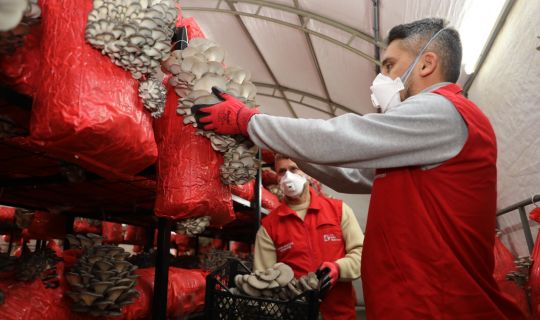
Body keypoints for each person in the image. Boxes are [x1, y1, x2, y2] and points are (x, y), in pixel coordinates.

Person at [192, 18, 525, 319]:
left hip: (439, 305)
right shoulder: (419, 139)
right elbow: (351, 175)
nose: (383, 78)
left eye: (391, 65)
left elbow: (344, 137)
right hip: (415, 303)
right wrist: (281, 144)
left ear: (427, 63)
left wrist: (249, 121)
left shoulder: (443, 111)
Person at [253, 154, 363, 320]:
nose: (288, 176)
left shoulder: (339, 210)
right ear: (277, 177)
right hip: (296, 315)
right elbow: (264, 281)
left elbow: (362, 253)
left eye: (294, 168)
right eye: (282, 171)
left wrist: (339, 269)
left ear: (308, 172)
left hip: (339, 313)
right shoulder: (269, 226)